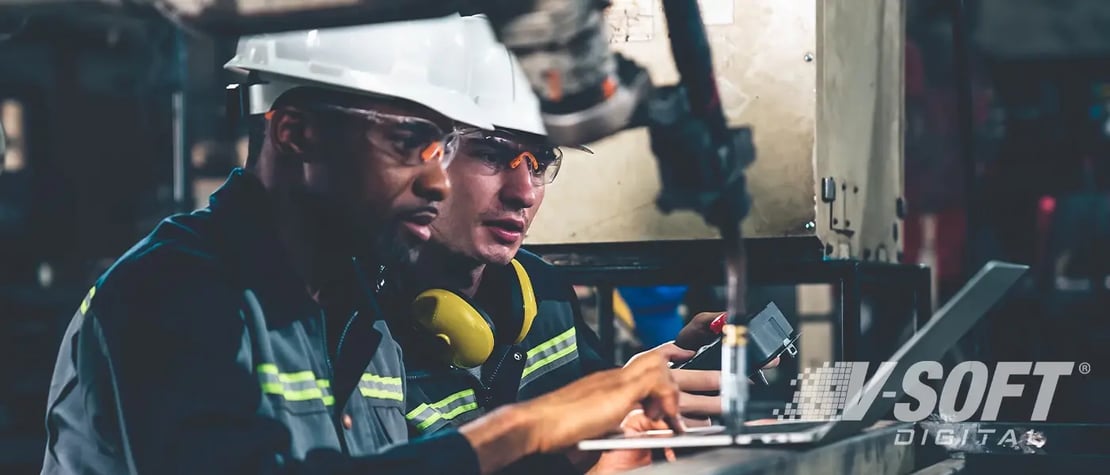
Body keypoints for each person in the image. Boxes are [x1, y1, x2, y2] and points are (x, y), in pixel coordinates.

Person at [40, 16, 682, 475]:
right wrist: (522, 428)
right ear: (296, 133)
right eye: (409, 144)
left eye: (444, 148)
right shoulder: (171, 295)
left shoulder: (356, 305)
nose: (436, 180)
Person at [380, 15, 763, 472]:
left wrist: (633, 384)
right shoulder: (359, 326)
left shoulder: (543, 291)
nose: (523, 192)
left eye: (539, 162)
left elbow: (589, 428)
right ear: (425, 156)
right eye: (491, 153)